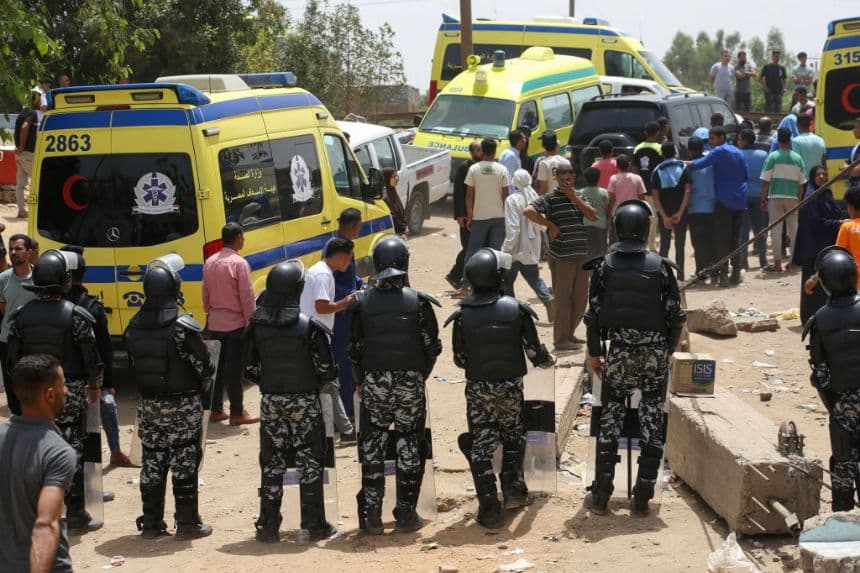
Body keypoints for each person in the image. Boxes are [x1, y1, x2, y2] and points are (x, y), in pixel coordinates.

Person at [582, 199, 686, 516]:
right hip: (655, 354)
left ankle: (600, 495)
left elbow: (593, 317)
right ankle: (642, 498)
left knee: (610, 422)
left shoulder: (603, 267)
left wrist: (595, 354)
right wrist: (666, 353)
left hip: (619, 355)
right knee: (652, 424)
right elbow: (676, 318)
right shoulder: (662, 268)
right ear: (645, 229)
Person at [448, 248, 555, 528]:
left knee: (481, 446)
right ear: (498, 277)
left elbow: (460, 360)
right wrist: (548, 360)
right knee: (513, 437)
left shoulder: (461, 317)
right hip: (510, 389)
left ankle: (489, 509)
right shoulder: (517, 310)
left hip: (478, 391)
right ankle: (513, 491)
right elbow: (535, 353)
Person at [348, 236, 442, 534]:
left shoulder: (360, 303)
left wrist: (362, 381)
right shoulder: (419, 302)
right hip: (410, 384)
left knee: (372, 450)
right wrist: (419, 377)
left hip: (373, 385)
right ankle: (405, 515)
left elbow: (354, 349)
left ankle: (372, 517)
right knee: (410, 448)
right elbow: (432, 348)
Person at [7, 249, 104, 533]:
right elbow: (91, 358)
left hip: (33, 393)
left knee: (35, 448)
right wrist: (95, 386)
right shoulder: (77, 316)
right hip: (68, 392)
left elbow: (12, 360)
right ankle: (75, 514)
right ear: (65, 281)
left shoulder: (20, 317)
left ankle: (37, 511)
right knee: (70, 448)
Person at [243, 261, 338, 542]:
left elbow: (248, 370)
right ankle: (314, 525)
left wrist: (272, 387)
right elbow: (327, 370)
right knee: (310, 462)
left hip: (271, 402)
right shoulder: (309, 327)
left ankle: (268, 526)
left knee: (271, 463)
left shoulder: (256, 326)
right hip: (305, 402)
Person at [123, 256, 215, 540]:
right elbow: (205, 366)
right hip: (183, 404)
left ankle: (151, 523)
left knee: (152, 460)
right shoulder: (182, 327)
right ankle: (187, 523)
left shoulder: (133, 326)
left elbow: (133, 364)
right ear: (175, 289)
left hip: (149, 405)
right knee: (185, 460)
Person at [0, 355, 76, 573]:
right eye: (63, 386)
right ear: (50, 395)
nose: (67, 392)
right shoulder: (57, 452)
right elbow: (45, 525)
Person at [60, 245, 134, 467]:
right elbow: (105, 348)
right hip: (88, 377)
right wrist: (108, 383)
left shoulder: (50, 305)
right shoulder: (91, 306)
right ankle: (115, 451)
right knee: (107, 406)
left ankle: (114, 453)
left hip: (60, 376)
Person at [803, 246, 860, 511]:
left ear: (825, 283)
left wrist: (836, 404)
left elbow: (820, 376)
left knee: (842, 462)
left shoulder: (820, 320)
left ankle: (844, 518)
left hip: (842, 406)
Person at [524, 163, 598, 352]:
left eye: (569, 179)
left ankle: (570, 333)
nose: (566, 183)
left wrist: (574, 197)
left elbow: (593, 216)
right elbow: (528, 211)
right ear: (556, 179)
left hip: (581, 254)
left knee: (581, 298)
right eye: (562, 180)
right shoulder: (550, 198)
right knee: (563, 298)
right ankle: (560, 340)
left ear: (573, 177)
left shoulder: (578, 195)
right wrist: (550, 225)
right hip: (561, 255)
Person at [201, 222, 259, 426]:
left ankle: (216, 409)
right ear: (238, 238)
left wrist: (211, 312)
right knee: (233, 370)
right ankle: (236, 412)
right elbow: (247, 298)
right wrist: (251, 324)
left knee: (216, 368)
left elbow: (205, 295)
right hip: (235, 325)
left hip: (215, 323)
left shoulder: (210, 262)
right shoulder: (239, 263)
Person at [300, 237, 356, 439]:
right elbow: (321, 306)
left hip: (311, 336)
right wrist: (345, 303)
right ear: (341, 257)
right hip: (317, 339)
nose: (349, 263)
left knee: (325, 385)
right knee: (330, 384)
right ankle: (347, 431)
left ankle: (335, 429)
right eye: (348, 259)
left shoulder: (317, 270)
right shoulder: (323, 275)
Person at [689, 126, 749, 287]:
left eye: (713, 138)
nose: (710, 142)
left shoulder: (719, 151)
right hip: (739, 200)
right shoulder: (738, 152)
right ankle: (736, 273)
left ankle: (723, 275)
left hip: (724, 201)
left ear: (722, 137)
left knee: (722, 239)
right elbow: (745, 174)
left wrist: (682, 163)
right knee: (735, 239)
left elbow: (699, 164)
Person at [330, 209, 366, 437]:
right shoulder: (338, 249)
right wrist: (354, 294)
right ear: (354, 226)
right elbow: (336, 287)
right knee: (344, 368)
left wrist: (363, 285)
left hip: (347, 312)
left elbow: (350, 277)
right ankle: (346, 419)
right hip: (340, 317)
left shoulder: (343, 243)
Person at [501, 169, 554, 321]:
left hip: (514, 248)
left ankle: (510, 313)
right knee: (534, 278)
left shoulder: (512, 200)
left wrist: (506, 249)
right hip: (532, 246)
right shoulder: (535, 198)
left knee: (507, 281)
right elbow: (542, 225)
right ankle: (548, 299)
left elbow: (513, 228)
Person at [794, 166, 844, 323]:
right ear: (812, 177)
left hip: (826, 246)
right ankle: (810, 318)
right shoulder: (811, 197)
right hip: (813, 247)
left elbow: (835, 212)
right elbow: (816, 222)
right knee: (812, 284)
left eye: (824, 174)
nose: (822, 176)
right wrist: (838, 223)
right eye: (818, 174)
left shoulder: (826, 194)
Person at [460, 138, 510, 296]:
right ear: (495, 151)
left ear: (483, 150)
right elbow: (505, 196)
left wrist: (469, 216)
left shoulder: (474, 169)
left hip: (479, 217)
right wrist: (507, 218)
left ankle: (465, 285)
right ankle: (496, 286)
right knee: (496, 253)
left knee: (472, 252)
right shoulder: (502, 170)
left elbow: (469, 195)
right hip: (498, 217)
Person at [761, 127, 807, 273]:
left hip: (775, 197)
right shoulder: (797, 158)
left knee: (775, 230)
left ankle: (777, 263)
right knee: (794, 231)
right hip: (793, 198)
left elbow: (766, 181)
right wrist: (799, 200)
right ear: (790, 139)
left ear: (778, 139)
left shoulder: (772, 157)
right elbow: (802, 183)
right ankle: (793, 262)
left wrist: (763, 199)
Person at [0, 234, 37, 400]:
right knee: (12, 387)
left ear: (29, 253)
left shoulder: (40, 277)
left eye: (18, 248)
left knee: (34, 386)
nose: (13, 252)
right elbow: (3, 309)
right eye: (11, 249)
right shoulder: (2, 279)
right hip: (8, 341)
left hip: (34, 342)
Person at [446, 141, 482, 291]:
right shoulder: (464, 168)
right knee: (468, 248)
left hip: (479, 214)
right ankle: (454, 275)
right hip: (466, 216)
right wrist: (460, 215)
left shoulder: (482, 168)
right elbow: (459, 193)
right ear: (472, 152)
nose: (481, 152)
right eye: (478, 150)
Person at [651, 143, 691, 278]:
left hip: (665, 213)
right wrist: (680, 212)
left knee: (664, 245)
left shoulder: (657, 171)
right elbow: (687, 191)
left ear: (662, 154)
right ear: (675, 153)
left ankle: (663, 276)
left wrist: (664, 216)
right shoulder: (684, 168)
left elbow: (655, 197)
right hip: (680, 212)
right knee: (680, 245)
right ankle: (680, 276)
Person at [737, 129, 771, 272]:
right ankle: (763, 260)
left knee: (743, 230)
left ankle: (743, 261)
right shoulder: (763, 155)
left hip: (743, 195)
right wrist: (765, 197)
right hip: (759, 195)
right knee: (760, 229)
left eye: (739, 139)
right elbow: (766, 178)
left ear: (744, 140)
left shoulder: (738, 155)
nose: (738, 142)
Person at [686, 137, 718, 282]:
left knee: (698, 243)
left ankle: (701, 271)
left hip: (694, 209)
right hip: (711, 208)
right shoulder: (711, 162)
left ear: (690, 151)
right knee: (711, 240)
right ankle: (714, 270)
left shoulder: (688, 167)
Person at [632, 122, 663, 250]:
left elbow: (634, 169)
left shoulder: (637, 148)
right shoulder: (660, 148)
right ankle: (651, 246)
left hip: (641, 188)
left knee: (644, 216)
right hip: (655, 188)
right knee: (653, 218)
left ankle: (643, 243)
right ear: (657, 133)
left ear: (646, 133)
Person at [13, 88, 42, 219]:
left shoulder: (22, 112)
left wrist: (19, 148)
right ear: (35, 99)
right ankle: (35, 211)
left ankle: (21, 210)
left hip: (19, 154)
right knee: (38, 182)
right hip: (28, 153)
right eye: (40, 98)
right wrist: (22, 146)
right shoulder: (32, 114)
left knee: (20, 184)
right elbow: (25, 127)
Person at [579, 167, 611, 260]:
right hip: (601, 226)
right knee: (601, 251)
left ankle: (589, 272)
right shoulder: (604, 193)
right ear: (598, 178)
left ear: (585, 179)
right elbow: (607, 210)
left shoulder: (580, 193)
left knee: (588, 251)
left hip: (585, 225)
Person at [535, 130, 570, 196]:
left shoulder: (544, 164)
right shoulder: (566, 162)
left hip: (551, 202)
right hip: (565, 200)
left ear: (543, 146)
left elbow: (543, 190)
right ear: (557, 144)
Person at [381, 167, 408, 236]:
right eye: (393, 176)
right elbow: (391, 216)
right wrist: (403, 228)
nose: (397, 179)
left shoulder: (392, 192)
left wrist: (405, 225)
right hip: (391, 233)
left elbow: (401, 211)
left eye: (397, 176)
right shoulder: (384, 196)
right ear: (386, 178)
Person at [843, 117, 860, 189]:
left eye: (856, 127)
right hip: (855, 186)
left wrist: (848, 169)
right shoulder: (857, 146)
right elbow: (847, 163)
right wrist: (848, 168)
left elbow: (857, 171)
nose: (854, 130)